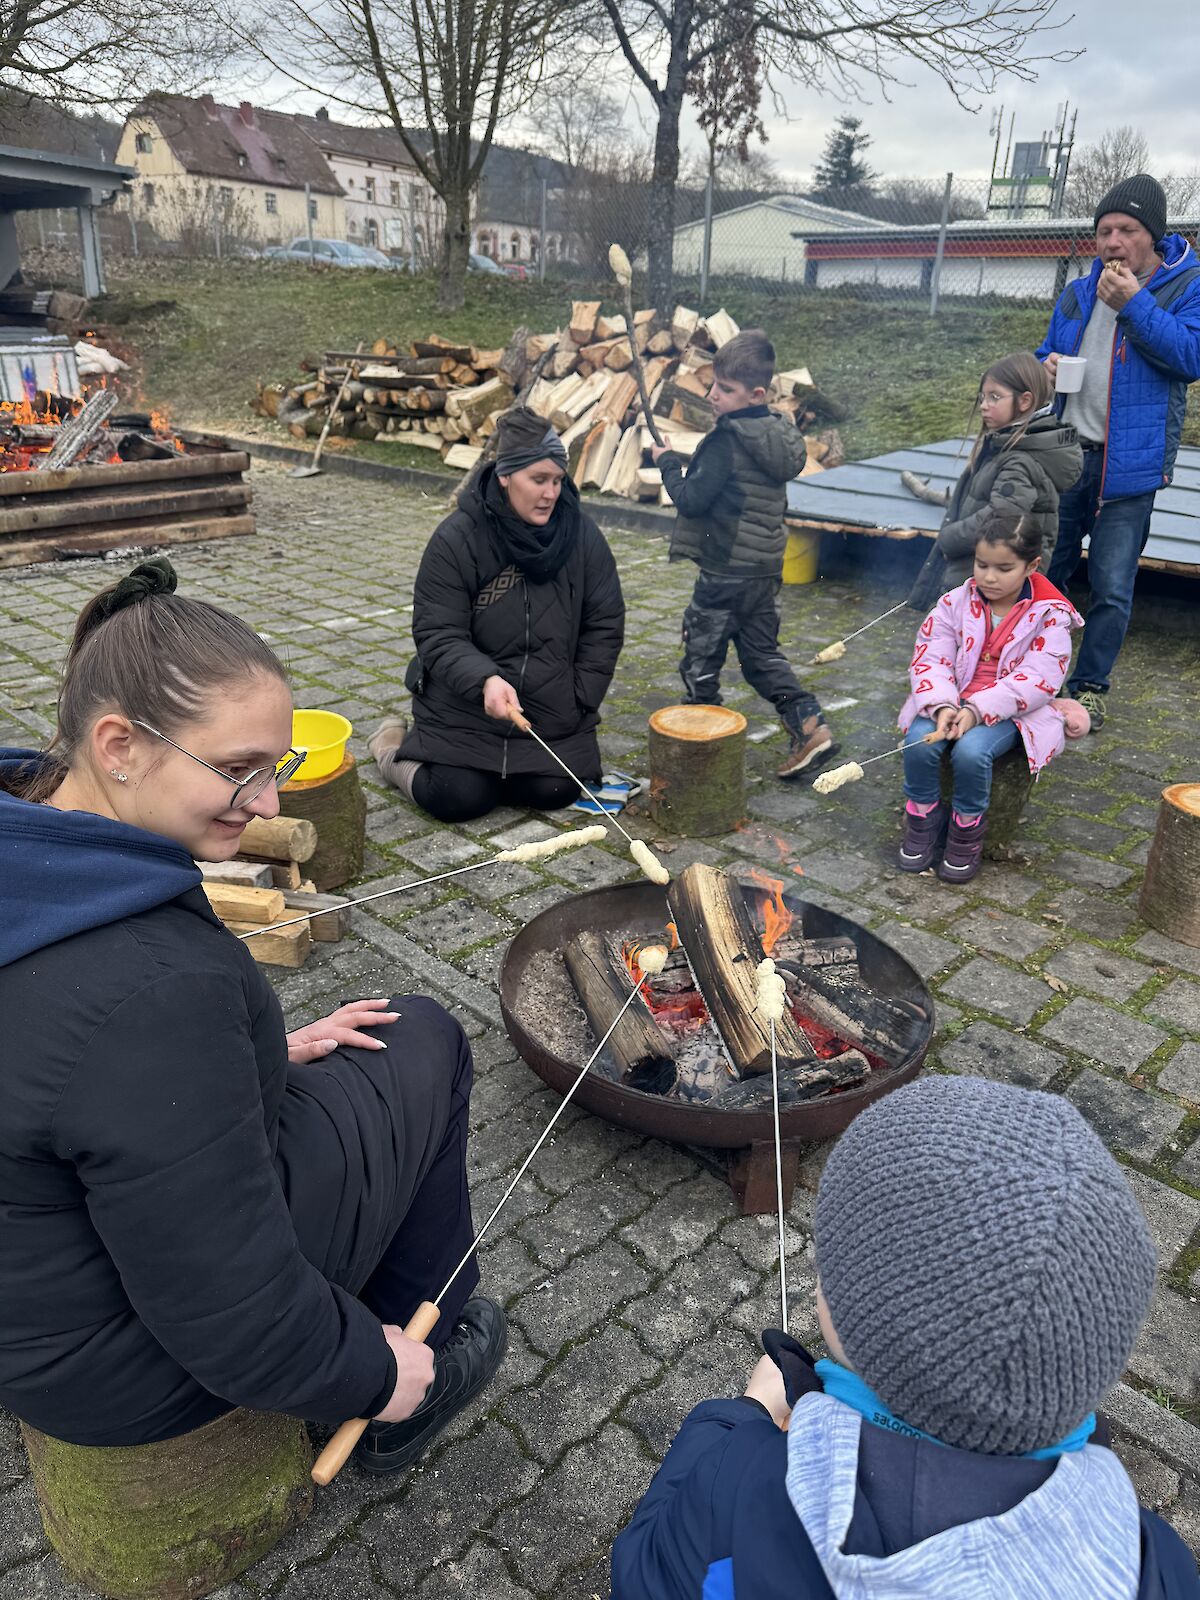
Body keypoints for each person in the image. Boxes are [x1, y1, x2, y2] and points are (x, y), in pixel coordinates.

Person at [0, 559, 505, 1475]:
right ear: (118, 745)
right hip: (112, 1366)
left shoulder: (26, 830)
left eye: (273, 770)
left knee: (367, 1044)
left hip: (37, 1272)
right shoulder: (147, 995)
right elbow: (230, 1314)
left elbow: (71, 1095)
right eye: (237, 771)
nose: (267, 803)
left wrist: (252, 1059)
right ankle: (411, 1376)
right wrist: (362, 1371)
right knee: (423, 1035)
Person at [611, 1074, 1200, 1599]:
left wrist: (742, 1416)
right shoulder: (1153, 1564)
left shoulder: (740, 1484)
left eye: (830, 1269)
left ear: (850, 1318)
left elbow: (644, 1570)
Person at [369, 407, 624, 823]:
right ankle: (388, 743)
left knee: (553, 790)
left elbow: (605, 625)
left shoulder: (583, 538)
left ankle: (500, 771)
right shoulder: (457, 538)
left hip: (547, 707)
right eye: (538, 480)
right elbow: (437, 631)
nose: (551, 493)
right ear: (505, 476)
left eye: (558, 480)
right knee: (458, 797)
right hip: (466, 700)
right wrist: (484, 679)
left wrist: (579, 698)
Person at [1038, 173, 1200, 730]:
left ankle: (1088, 688)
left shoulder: (1187, 285)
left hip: (1128, 466)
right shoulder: (1079, 290)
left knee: (1110, 585)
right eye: (1104, 230)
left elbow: (1190, 357)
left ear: (1152, 236)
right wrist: (1044, 368)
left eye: (1126, 229)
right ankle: (1035, 675)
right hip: (1066, 455)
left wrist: (1134, 304)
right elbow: (1046, 351)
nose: (1112, 242)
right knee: (1047, 575)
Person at [648, 329, 836, 781]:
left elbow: (692, 500)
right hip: (764, 571)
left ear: (756, 392)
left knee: (701, 658)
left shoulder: (725, 441)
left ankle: (703, 755)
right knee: (761, 658)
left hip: (724, 571)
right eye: (713, 385)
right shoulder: (778, 435)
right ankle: (810, 727)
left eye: (725, 390)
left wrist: (667, 463)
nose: (713, 395)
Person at [898, 515, 1083, 883]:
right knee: (919, 741)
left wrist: (978, 710)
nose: (989, 577)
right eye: (981, 565)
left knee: (971, 752)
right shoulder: (954, 603)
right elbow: (930, 657)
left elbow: (1039, 679)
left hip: (1012, 712)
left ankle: (966, 832)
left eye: (1004, 568)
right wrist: (944, 705)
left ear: (1031, 566)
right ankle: (922, 819)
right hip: (949, 699)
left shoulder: (1050, 615)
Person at [906, 350, 1082, 613]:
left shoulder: (1018, 462)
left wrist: (950, 537)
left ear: (1025, 401)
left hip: (997, 589)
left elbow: (1001, 517)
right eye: (983, 397)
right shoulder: (1002, 447)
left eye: (995, 397)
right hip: (978, 579)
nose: (984, 405)